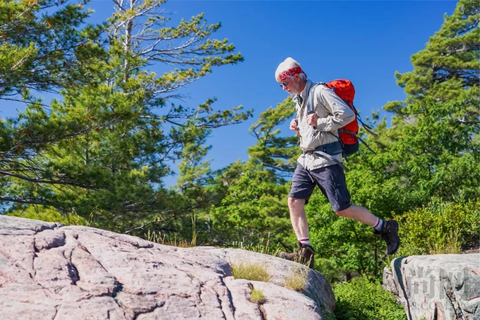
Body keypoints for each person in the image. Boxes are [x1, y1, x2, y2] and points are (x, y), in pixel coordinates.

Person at [275, 57, 400, 268]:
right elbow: (311, 125)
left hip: (326, 158)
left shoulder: (320, 92)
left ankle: (385, 226)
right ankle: (304, 251)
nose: (283, 88)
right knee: (294, 202)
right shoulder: (300, 100)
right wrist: (299, 126)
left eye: (285, 83)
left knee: (341, 208)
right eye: (281, 85)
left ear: (296, 77)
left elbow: (347, 114)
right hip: (306, 159)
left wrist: (320, 122)